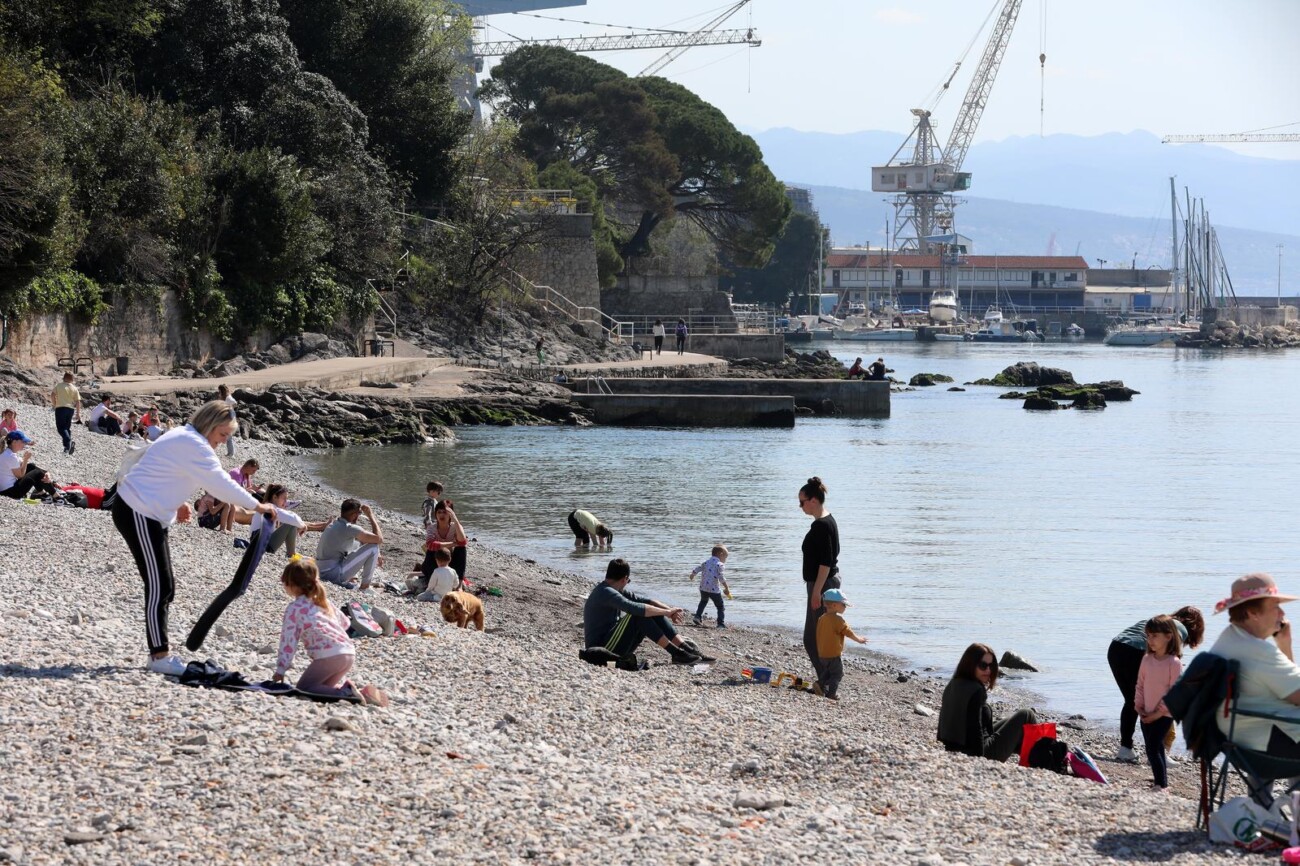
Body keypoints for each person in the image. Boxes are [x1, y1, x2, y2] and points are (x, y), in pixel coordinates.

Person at [104, 400, 275, 676]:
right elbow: (219, 483)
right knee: (159, 585)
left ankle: (159, 652)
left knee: (165, 585)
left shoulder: (185, 435)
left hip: (147, 512)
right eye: (223, 434)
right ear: (209, 425)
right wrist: (258, 506)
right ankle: (159, 656)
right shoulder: (194, 444)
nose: (224, 441)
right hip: (138, 511)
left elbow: (162, 468)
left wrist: (178, 502)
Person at [1209, 573, 1300, 755]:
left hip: (1239, 744)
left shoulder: (1227, 640)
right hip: (1273, 745)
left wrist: (1284, 645)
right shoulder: (1259, 652)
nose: (1282, 613)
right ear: (1252, 613)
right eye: (1276, 606)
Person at [272, 558, 385, 705]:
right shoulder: (323, 602)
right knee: (322, 689)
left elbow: (288, 642)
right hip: (348, 652)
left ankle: (347, 692)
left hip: (330, 656)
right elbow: (345, 623)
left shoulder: (294, 608)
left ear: (291, 584)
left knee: (304, 688)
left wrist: (281, 670)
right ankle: (359, 694)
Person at [1108, 606, 1205, 762]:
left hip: (1116, 647)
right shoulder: (1177, 628)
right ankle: (1157, 753)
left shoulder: (1158, 621)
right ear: (1194, 627)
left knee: (1131, 701)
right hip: (1137, 651)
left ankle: (1126, 749)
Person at [583, 558, 713, 665]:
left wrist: (669, 610)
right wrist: (666, 613)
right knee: (638, 615)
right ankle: (676, 653)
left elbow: (647, 601)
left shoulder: (614, 589)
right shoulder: (606, 592)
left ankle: (687, 650)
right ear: (624, 579)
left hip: (613, 642)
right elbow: (634, 608)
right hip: (602, 649)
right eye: (628, 581)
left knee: (652, 611)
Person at [937, 643, 1039, 761]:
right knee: (1027, 714)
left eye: (992, 666)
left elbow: (942, 726)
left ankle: (1033, 755)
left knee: (1008, 721)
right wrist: (980, 760)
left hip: (955, 747)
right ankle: (1039, 760)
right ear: (970, 664)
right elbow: (975, 729)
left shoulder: (953, 684)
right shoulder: (976, 691)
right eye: (983, 666)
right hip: (981, 752)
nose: (988, 670)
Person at [799, 476, 840, 684]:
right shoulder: (826, 520)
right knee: (816, 636)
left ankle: (828, 681)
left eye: (802, 502)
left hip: (822, 585)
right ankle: (825, 680)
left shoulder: (822, 526)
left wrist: (816, 592)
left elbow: (826, 562)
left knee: (816, 638)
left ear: (813, 500)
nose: (800, 506)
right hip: (823, 583)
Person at [1135, 615, 1183, 791]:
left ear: (1168, 636)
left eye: (1155, 635)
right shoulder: (1147, 659)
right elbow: (1140, 684)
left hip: (1164, 714)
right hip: (1146, 712)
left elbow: (1175, 693)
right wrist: (1139, 706)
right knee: (1156, 748)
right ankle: (1162, 783)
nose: (1150, 640)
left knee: (1152, 748)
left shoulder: (1174, 663)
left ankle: (1160, 785)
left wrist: (1158, 713)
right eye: (1148, 636)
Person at [314, 498, 384, 590]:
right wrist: (371, 516)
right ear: (354, 515)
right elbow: (379, 539)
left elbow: (365, 541)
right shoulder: (349, 528)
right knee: (373, 548)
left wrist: (378, 553)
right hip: (332, 574)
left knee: (359, 543)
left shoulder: (334, 523)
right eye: (359, 514)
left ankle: (352, 578)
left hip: (320, 570)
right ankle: (365, 587)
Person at [816, 588, 867, 700]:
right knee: (838, 674)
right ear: (834, 605)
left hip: (822, 653)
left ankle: (819, 684)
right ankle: (831, 694)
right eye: (843, 605)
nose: (845, 607)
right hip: (833, 654)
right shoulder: (838, 620)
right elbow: (848, 632)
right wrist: (859, 640)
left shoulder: (821, 618)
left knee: (829, 671)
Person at [0, 431, 59, 500]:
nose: (24, 444)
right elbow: (20, 476)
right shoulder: (11, 456)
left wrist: (46, 473)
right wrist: (25, 459)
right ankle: (56, 497)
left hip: (6, 490)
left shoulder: (7, 453)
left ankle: (41, 493)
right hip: (11, 492)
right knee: (37, 472)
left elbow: (29, 466)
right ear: (14, 442)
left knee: (31, 466)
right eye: (23, 442)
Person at [691, 544, 731, 628]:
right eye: (725, 557)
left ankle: (697, 616)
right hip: (714, 590)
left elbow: (698, 568)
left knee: (703, 602)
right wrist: (726, 588)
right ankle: (720, 624)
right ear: (720, 554)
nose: (725, 560)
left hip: (703, 588)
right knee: (720, 606)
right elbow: (721, 577)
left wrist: (693, 574)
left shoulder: (706, 562)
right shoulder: (719, 565)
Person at [51, 374, 81, 454]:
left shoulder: (59, 386)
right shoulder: (74, 388)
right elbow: (78, 401)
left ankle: (69, 441)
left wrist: (54, 404)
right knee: (67, 428)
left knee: (61, 428)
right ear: (72, 379)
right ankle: (67, 448)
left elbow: (52, 395)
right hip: (70, 409)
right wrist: (78, 413)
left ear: (64, 378)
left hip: (61, 408)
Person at [218, 384, 238, 457]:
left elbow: (235, 403)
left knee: (229, 437)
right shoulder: (224, 397)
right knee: (228, 436)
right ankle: (230, 453)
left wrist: (229, 408)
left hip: (230, 417)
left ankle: (231, 453)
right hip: (226, 417)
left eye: (219, 390)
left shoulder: (228, 397)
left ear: (222, 390)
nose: (218, 391)